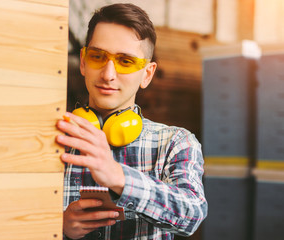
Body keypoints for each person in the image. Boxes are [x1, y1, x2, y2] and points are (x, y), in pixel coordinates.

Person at [56, 3, 207, 239]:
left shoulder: (175, 142)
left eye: (125, 62)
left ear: (147, 74)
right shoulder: (51, 137)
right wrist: (55, 227)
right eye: (97, 56)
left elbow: (191, 216)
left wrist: (119, 177)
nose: (108, 74)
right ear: (83, 62)